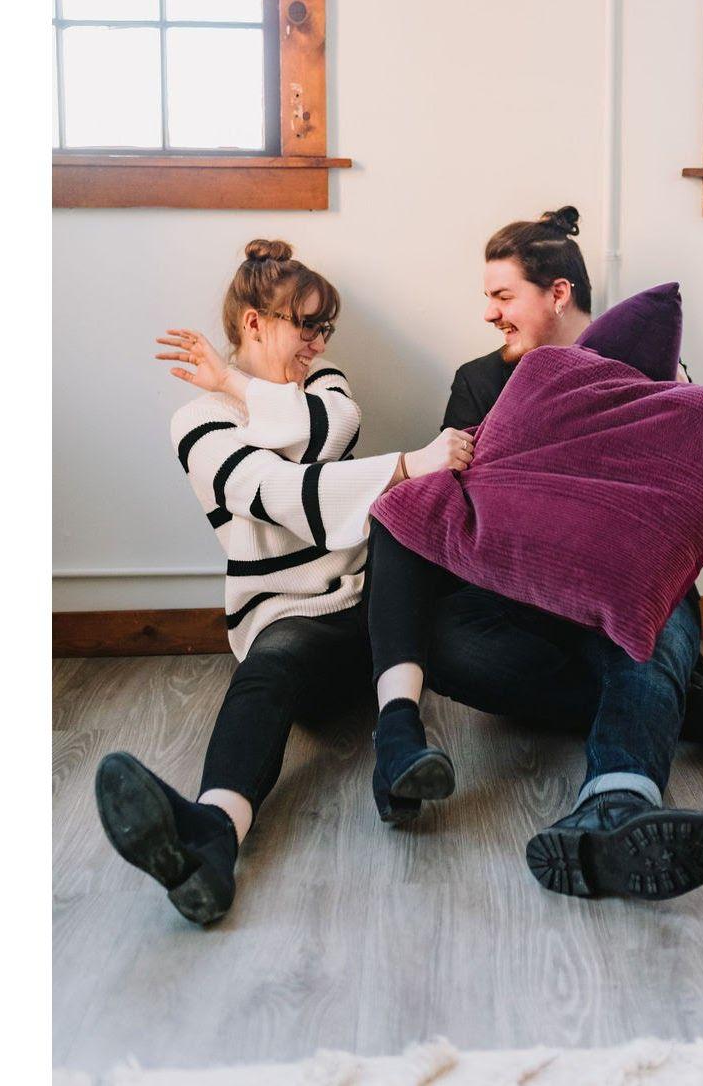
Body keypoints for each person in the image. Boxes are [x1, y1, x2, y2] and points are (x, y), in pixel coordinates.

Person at [364, 207, 703, 902]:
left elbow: (678, 506)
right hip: (523, 604)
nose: (489, 313)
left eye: (503, 296)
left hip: (629, 594)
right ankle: (681, 711)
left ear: (559, 293)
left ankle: (619, 801)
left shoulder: (651, 370)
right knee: (431, 600)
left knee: (645, 637)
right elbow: (449, 517)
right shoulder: (479, 381)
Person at [91, 239, 472, 926]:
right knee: (268, 668)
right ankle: (212, 835)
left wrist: (239, 383)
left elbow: (332, 431)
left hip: (379, 608)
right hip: (292, 620)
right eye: (307, 326)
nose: (318, 343)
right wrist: (408, 463)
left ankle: (400, 739)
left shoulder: (325, 384)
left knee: (401, 518)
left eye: (326, 328)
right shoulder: (198, 423)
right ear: (255, 324)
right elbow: (280, 492)